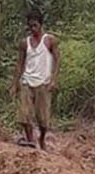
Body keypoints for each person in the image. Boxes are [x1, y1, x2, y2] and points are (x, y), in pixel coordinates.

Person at [10, 10, 60, 149]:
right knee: (24, 115)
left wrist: (54, 79)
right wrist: (15, 83)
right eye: (30, 26)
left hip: (43, 83)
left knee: (43, 119)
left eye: (35, 26)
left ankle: (42, 138)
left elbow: (57, 60)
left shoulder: (50, 40)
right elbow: (19, 64)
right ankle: (30, 140)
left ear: (40, 25)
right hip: (27, 81)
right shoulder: (24, 43)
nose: (32, 29)